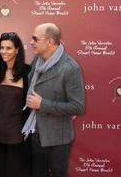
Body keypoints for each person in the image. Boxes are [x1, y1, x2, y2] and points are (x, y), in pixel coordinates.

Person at [22, 23, 85, 177]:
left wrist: (43, 104)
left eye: (35, 39)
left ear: (49, 42)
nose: (31, 42)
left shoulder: (70, 68)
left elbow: (78, 107)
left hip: (57, 140)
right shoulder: (38, 60)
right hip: (35, 134)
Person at [0, 32, 31, 177]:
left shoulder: (28, 72)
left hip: (17, 134)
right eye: (1, 48)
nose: (4, 51)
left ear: (17, 50)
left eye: (8, 48)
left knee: (14, 172)